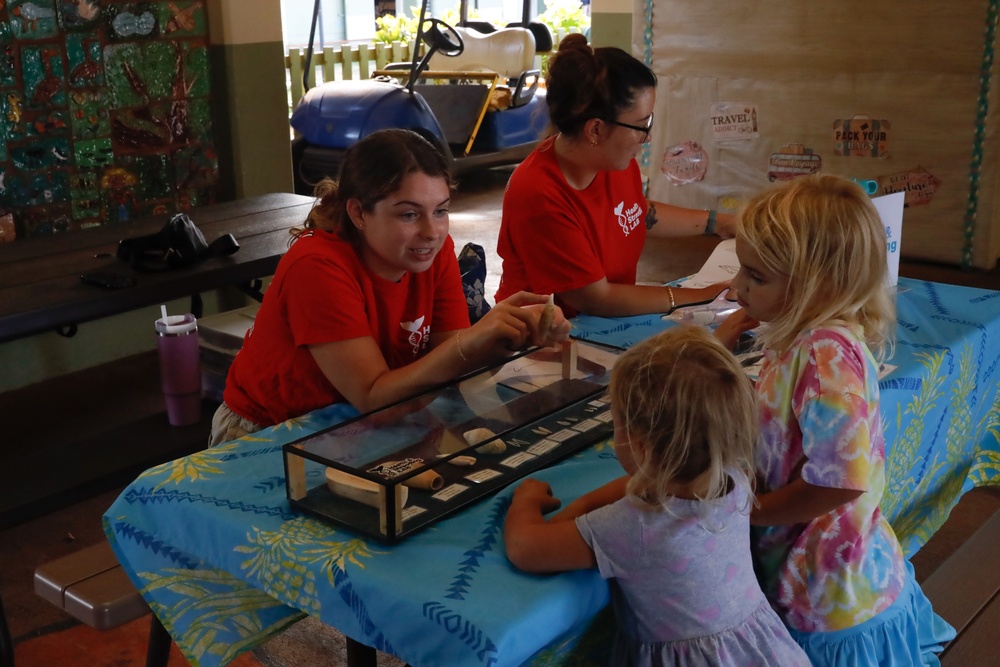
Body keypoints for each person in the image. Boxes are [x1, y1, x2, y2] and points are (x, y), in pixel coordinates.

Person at [715, 174, 956, 664]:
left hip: (825, 590)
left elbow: (842, 484)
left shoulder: (827, 354)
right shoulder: (800, 339)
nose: (735, 286)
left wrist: (751, 511)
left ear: (818, 287)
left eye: (756, 277)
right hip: (809, 565)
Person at [210, 129, 571, 446]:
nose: (431, 231)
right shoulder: (317, 268)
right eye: (409, 214)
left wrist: (513, 335)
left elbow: (450, 360)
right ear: (359, 213)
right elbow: (375, 399)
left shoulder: (434, 252)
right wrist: (476, 339)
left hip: (353, 419)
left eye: (441, 210)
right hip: (269, 429)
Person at [504, 325, 810, 666]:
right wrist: (583, 506)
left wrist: (526, 500)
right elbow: (647, 484)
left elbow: (525, 549)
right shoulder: (733, 479)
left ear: (639, 446)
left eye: (616, 423)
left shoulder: (634, 528)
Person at [495, 33, 734, 319]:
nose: (647, 137)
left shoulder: (611, 161)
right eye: (641, 125)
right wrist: (706, 295)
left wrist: (719, 222)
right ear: (595, 130)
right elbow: (598, 299)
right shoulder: (539, 193)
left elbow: (635, 213)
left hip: (598, 326)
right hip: (540, 340)